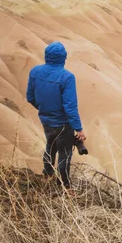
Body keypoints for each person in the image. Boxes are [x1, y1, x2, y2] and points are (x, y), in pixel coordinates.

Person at [26, 42, 86, 192]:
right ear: (63, 58)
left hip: (46, 119)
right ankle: (64, 185)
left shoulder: (35, 72)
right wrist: (79, 129)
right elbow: (70, 107)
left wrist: (44, 110)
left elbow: (30, 97)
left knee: (50, 145)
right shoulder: (67, 77)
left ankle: (47, 174)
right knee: (64, 153)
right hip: (63, 123)